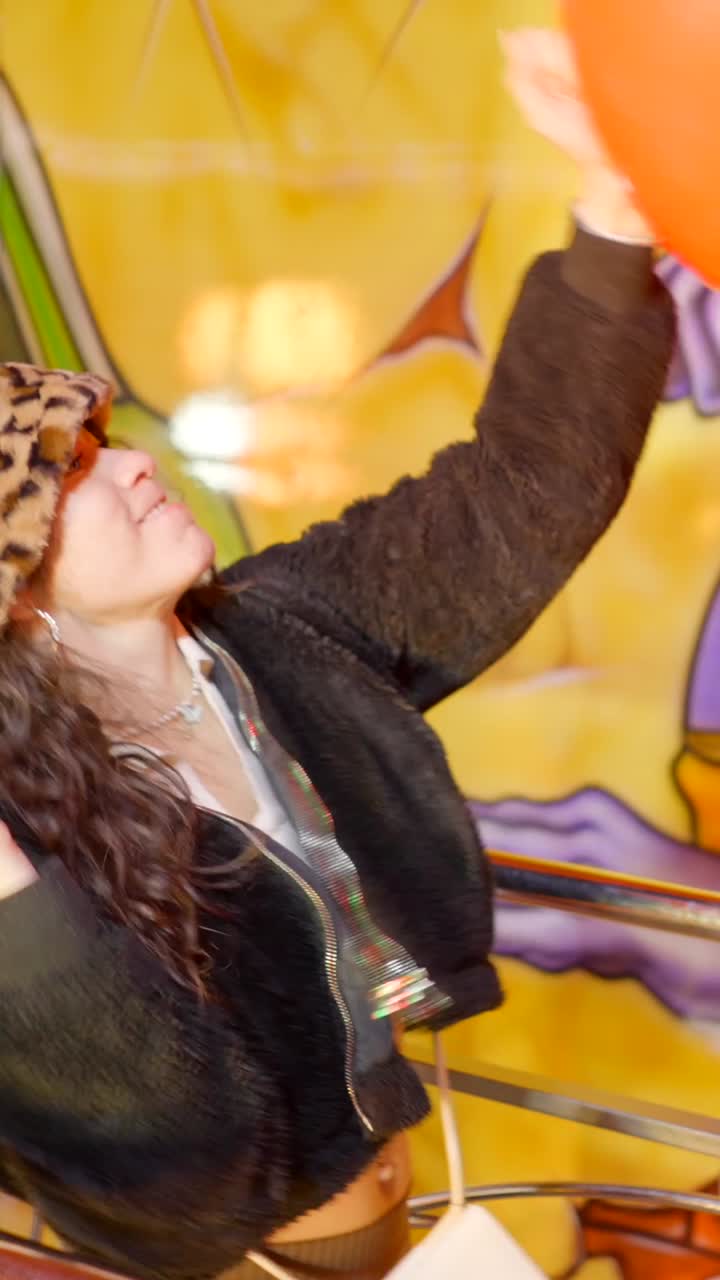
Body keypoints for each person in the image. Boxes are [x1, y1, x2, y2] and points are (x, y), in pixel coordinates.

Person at [0, 30, 674, 1280]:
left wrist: (613, 206)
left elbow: (525, 488)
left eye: (106, 437)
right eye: (74, 473)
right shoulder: (29, 836)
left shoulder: (275, 634)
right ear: (13, 597)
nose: (136, 462)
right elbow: (173, 1150)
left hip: (416, 1200)